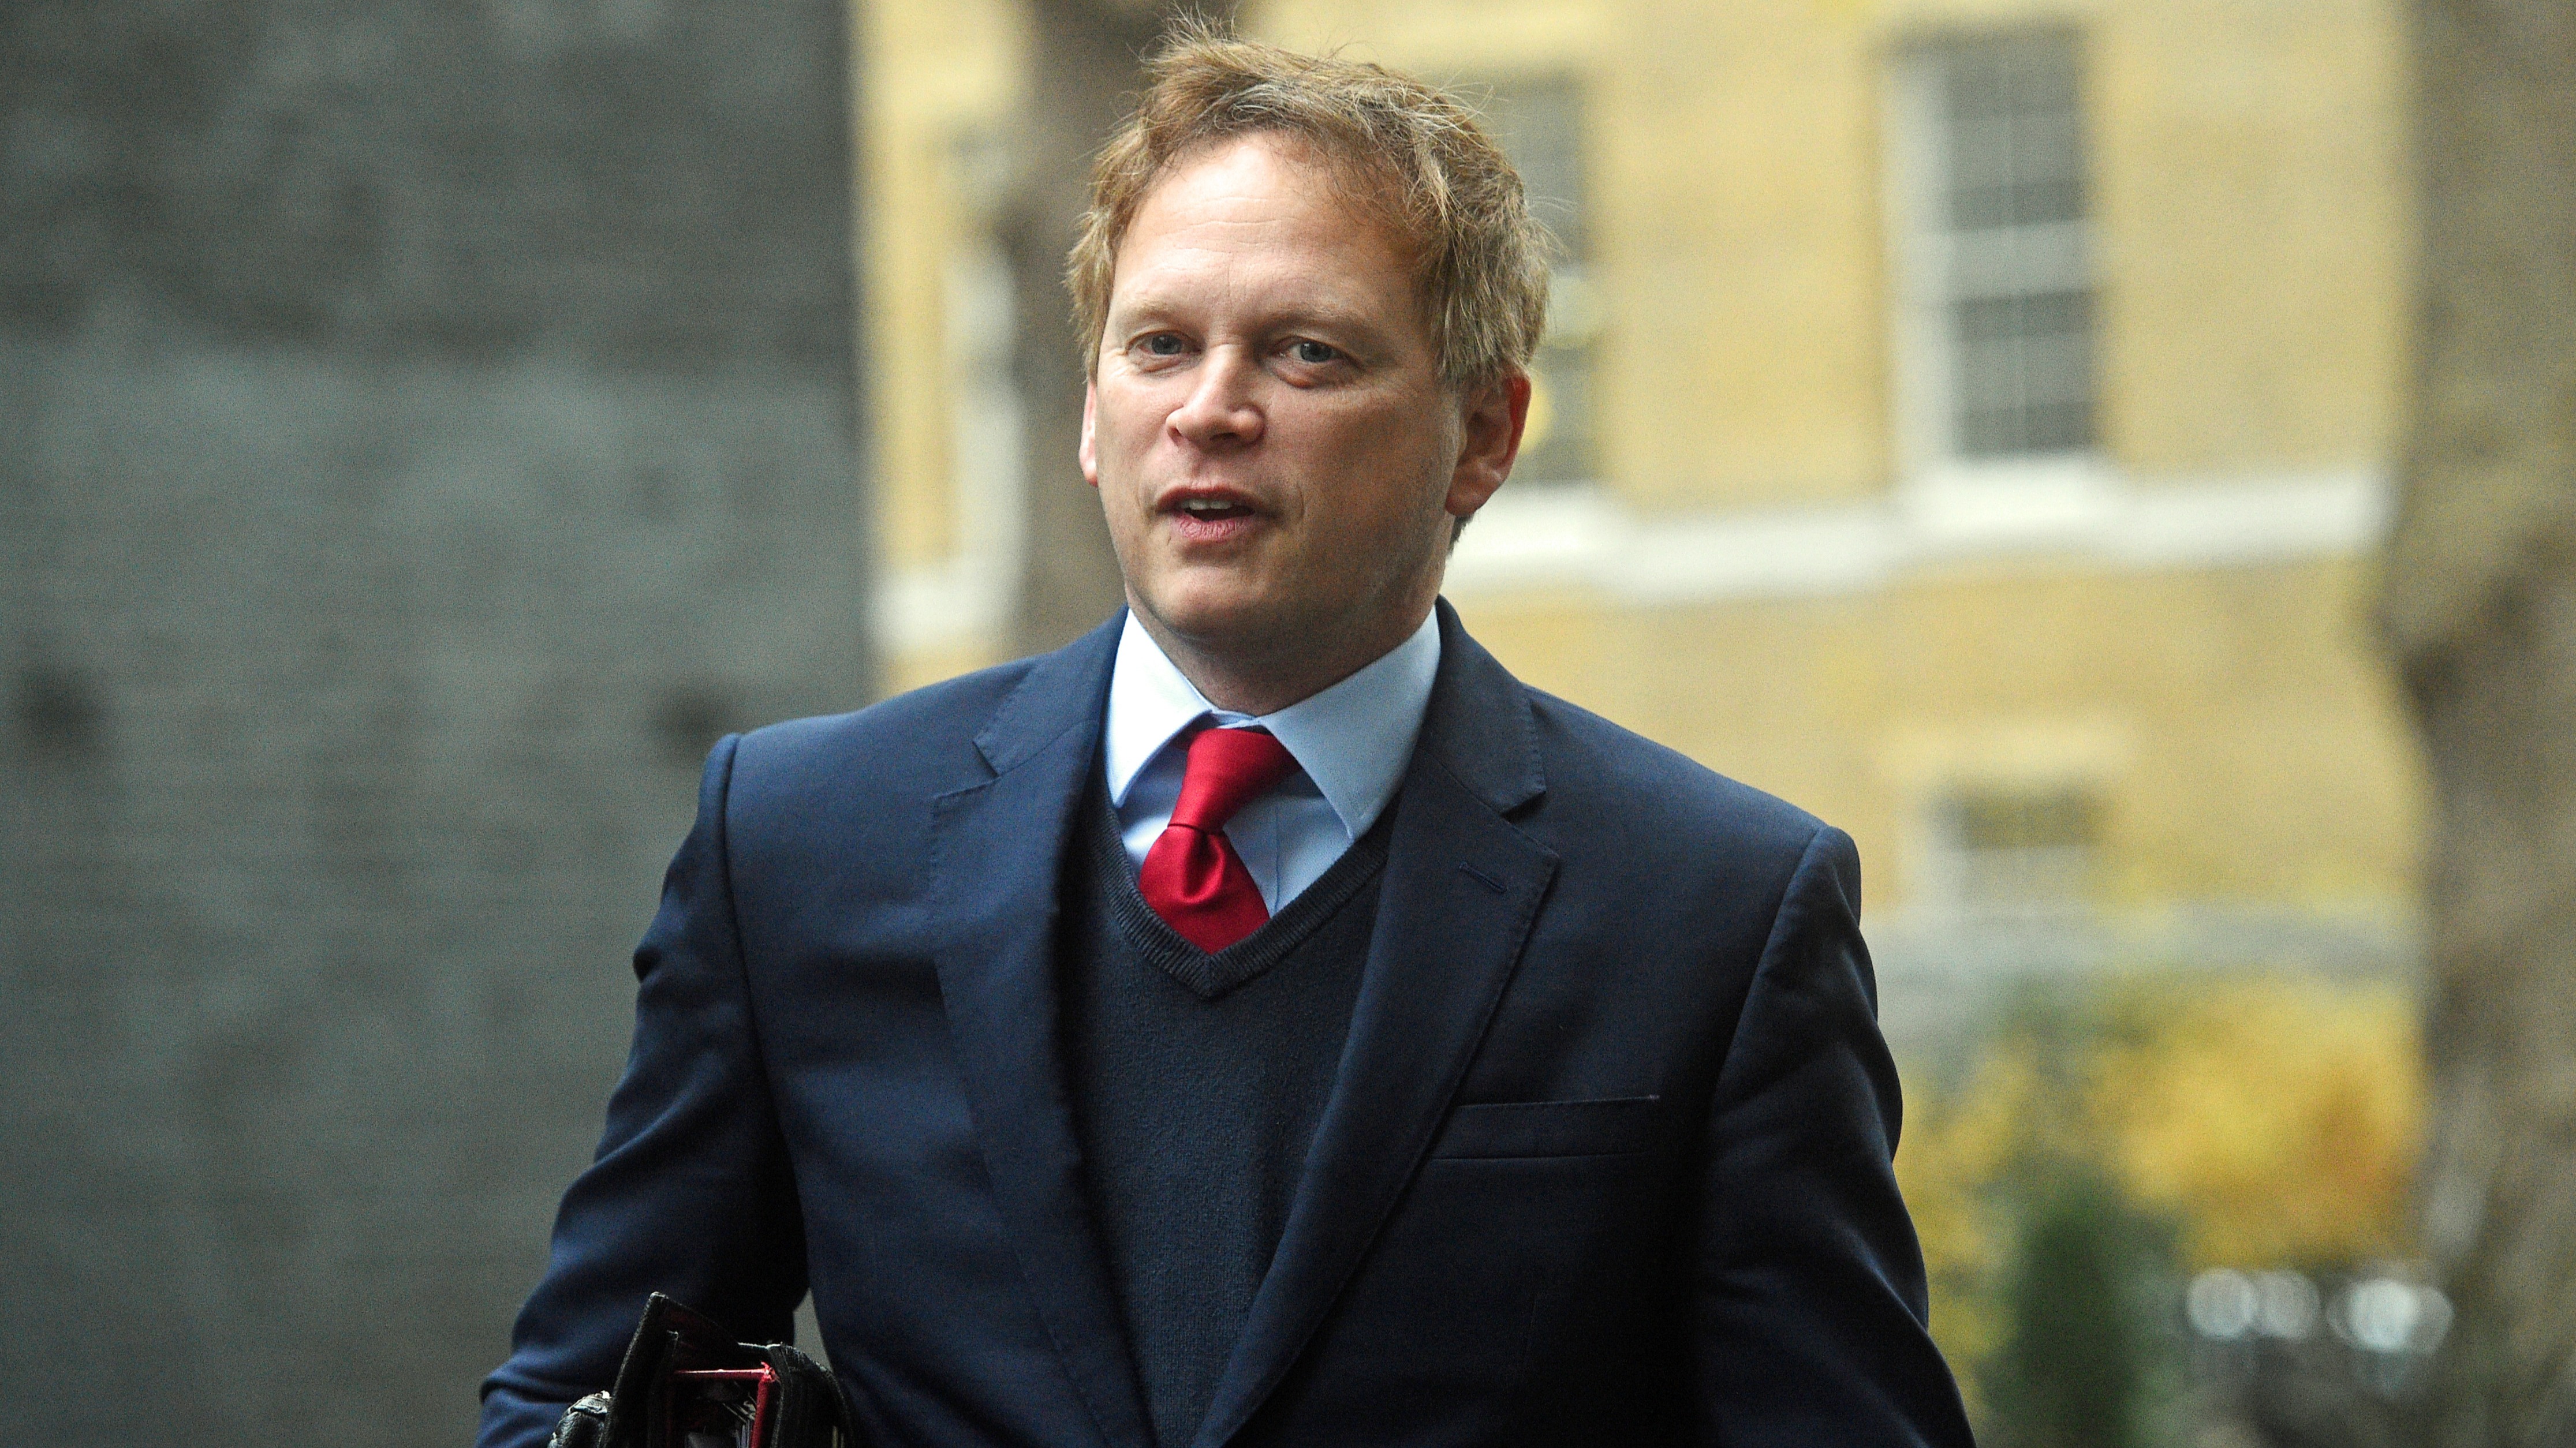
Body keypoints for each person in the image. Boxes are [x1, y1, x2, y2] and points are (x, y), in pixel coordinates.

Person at [481, 28, 1974, 1448]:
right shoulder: (798, 846)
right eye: (1158, 345)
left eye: (1305, 353)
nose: (1210, 410)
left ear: (1485, 434)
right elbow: (575, 1397)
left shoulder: (1715, 914)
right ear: (1090, 413)